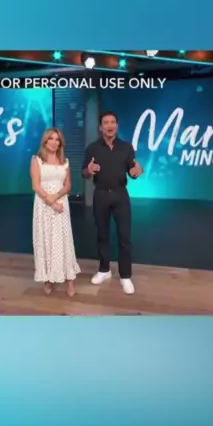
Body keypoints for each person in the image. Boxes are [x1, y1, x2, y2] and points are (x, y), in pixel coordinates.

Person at [82, 111, 143, 294]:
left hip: (120, 194)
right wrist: (88, 170)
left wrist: (137, 171)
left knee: (124, 237)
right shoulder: (92, 149)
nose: (109, 125)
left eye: (113, 122)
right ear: (100, 127)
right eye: (106, 123)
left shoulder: (126, 147)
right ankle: (104, 269)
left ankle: (125, 276)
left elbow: (132, 171)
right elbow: (84, 173)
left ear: (117, 125)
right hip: (101, 194)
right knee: (102, 235)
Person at [31, 127, 80, 297]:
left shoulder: (64, 161)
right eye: (50, 139)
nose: (54, 142)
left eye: (57, 139)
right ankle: (48, 278)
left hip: (61, 204)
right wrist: (50, 201)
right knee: (45, 241)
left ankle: (70, 280)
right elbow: (35, 186)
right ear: (45, 142)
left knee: (64, 242)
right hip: (43, 205)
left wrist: (56, 198)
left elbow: (67, 185)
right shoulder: (37, 160)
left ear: (60, 143)